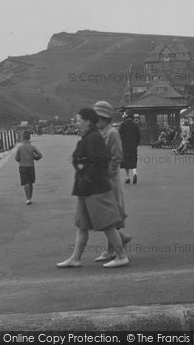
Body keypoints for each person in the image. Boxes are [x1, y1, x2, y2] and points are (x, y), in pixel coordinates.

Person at [57, 108, 129, 268]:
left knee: (107, 223)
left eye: (78, 120)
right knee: (81, 224)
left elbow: (100, 162)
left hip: (95, 188)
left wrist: (87, 177)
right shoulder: (89, 137)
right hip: (85, 188)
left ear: (88, 121)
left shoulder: (94, 138)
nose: (76, 124)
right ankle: (75, 258)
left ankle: (121, 256)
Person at [94, 101, 132, 262]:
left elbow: (117, 156)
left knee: (111, 213)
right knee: (109, 213)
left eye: (97, 117)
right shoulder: (103, 132)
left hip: (110, 179)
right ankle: (112, 248)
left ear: (104, 117)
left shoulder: (112, 133)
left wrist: (108, 173)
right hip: (103, 178)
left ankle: (117, 248)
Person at [14, 131, 43, 205]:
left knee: (25, 183)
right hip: (31, 167)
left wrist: (21, 159)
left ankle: (28, 199)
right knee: (30, 183)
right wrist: (34, 158)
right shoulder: (32, 147)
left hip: (23, 167)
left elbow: (16, 158)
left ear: (23, 138)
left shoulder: (20, 147)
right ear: (29, 138)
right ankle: (30, 198)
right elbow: (40, 155)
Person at [119, 109, 141, 184]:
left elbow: (119, 135)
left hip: (125, 146)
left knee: (126, 162)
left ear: (126, 116)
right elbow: (138, 137)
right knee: (133, 160)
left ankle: (127, 177)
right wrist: (136, 144)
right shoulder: (135, 125)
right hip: (133, 146)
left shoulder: (122, 125)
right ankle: (135, 173)